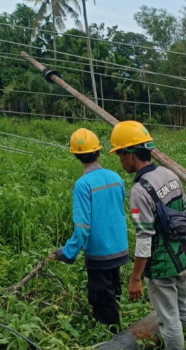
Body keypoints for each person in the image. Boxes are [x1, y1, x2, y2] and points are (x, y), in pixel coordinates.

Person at [110, 120, 186, 350]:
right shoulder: (169, 173)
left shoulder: (139, 190)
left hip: (161, 267)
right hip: (183, 255)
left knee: (169, 319)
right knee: (185, 305)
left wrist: (136, 277)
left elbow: (144, 236)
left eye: (120, 155)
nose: (120, 161)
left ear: (131, 155)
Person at [55, 128, 129, 333]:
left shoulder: (83, 184)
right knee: (113, 291)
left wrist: (68, 252)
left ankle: (113, 338)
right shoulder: (116, 177)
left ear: (77, 155)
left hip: (100, 252)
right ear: (98, 151)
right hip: (119, 247)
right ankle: (117, 325)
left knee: (101, 297)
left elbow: (83, 227)